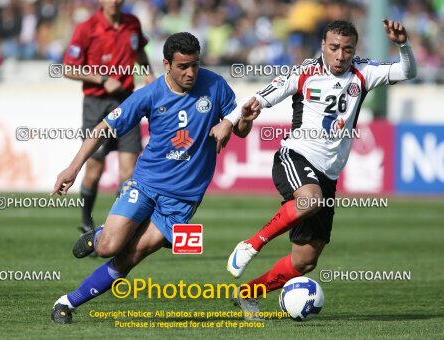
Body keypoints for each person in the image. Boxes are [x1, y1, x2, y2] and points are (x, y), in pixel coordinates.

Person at [50, 32, 253, 324]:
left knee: (130, 256)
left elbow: (242, 128)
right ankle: (98, 237)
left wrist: (239, 120)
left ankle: (66, 302)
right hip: (145, 184)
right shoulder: (149, 95)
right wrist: (73, 168)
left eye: (195, 65)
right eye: (183, 66)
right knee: (109, 246)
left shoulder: (216, 86)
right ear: (166, 64)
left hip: (182, 200)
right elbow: (102, 129)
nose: (191, 72)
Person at [224, 19, 417, 320]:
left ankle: (246, 294)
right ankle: (251, 244)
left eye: (348, 49)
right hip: (296, 155)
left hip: (329, 174)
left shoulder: (363, 72)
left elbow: (408, 71)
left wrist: (402, 44)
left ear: (355, 50)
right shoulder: (304, 73)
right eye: (334, 48)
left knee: (305, 261)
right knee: (309, 200)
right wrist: (231, 120)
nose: (341, 55)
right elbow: (258, 99)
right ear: (323, 47)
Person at [62, 0, 154, 235]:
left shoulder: (132, 23)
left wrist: (147, 73)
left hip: (126, 102)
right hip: (97, 104)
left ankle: (115, 229)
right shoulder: (86, 28)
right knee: (94, 170)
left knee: (127, 172)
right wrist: (102, 79)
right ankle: (86, 225)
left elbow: (139, 51)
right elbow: (69, 68)